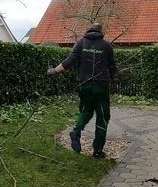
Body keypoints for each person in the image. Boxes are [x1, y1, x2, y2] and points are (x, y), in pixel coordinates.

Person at [46, 23, 117, 158]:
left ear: (88, 30)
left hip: (84, 85)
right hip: (101, 87)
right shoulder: (107, 46)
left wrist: (54, 70)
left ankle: (76, 131)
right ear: (101, 32)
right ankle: (97, 151)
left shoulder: (80, 43)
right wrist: (115, 76)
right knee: (102, 117)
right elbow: (112, 67)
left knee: (86, 111)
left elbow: (70, 60)